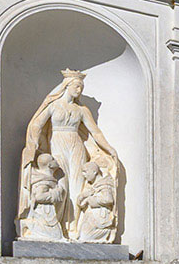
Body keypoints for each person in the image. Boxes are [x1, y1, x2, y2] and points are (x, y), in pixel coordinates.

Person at [18, 69, 121, 240]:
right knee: (62, 184)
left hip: (76, 146)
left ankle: (74, 227)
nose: (79, 90)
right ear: (66, 86)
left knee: (77, 184)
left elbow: (95, 132)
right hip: (57, 144)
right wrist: (34, 142)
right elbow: (37, 124)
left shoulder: (82, 110)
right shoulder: (53, 105)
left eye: (81, 87)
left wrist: (109, 149)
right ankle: (58, 226)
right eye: (77, 86)